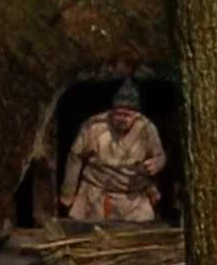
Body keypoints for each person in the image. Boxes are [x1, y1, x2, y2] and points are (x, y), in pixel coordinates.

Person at [60, 79, 166, 223]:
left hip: (133, 196)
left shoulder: (147, 129)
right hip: (96, 192)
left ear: (136, 115)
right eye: (119, 114)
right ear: (112, 111)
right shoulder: (95, 126)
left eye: (127, 115)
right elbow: (75, 156)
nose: (122, 119)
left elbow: (159, 155)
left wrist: (158, 163)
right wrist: (68, 193)